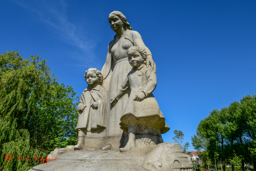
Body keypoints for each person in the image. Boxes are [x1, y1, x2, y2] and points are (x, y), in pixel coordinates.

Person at [101, 11, 156, 148]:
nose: (112, 24)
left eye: (115, 20)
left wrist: (149, 58)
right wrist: (100, 81)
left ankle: (130, 138)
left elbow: (142, 48)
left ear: (122, 20)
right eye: (110, 22)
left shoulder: (133, 34)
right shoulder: (111, 43)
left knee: (130, 102)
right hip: (115, 73)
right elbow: (107, 65)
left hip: (131, 70)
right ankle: (111, 141)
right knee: (114, 103)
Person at [110, 46, 169, 152]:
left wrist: (144, 93)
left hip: (146, 98)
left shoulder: (147, 69)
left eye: (135, 56)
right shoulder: (130, 74)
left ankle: (159, 139)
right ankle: (131, 142)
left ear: (143, 57)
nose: (132, 59)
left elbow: (152, 82)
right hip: (133, 99)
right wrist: (116, 97)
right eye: (129, 58)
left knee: (153, 117)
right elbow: (123, 87)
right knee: (131, 119)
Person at [74, 68, 107, 150]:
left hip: (95, 113)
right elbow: (80, 102)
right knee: (81, 126)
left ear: (98, 78)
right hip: (85, 113)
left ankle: (99, 144)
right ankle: (80, 143)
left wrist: (98, 103)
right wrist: (80, 106)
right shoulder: (85, 91)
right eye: (87, 77)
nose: (89, 79)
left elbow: (105, 101)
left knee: (96, 128)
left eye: (92, 77)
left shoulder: (101, 90)